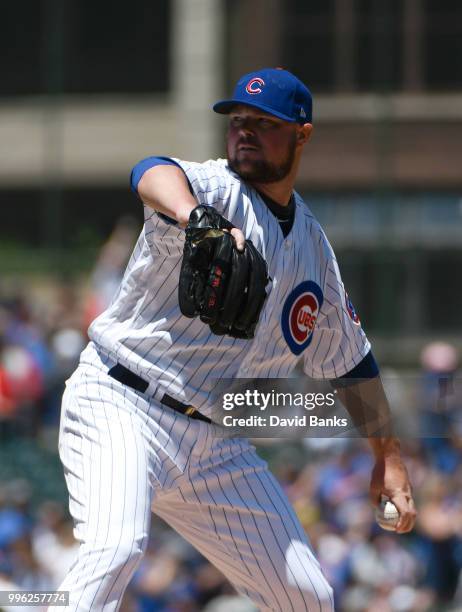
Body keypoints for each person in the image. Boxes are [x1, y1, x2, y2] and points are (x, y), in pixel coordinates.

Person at [57, 68, 416, 611]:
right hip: (124, 402)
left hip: (215, 448)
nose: (244, 131)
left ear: (302, 134)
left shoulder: (315, 253)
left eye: (263, 123)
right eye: (238, 121)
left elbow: (353, 363)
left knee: (309, 597)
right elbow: (149, 170)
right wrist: (193, 216)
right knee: (114, 548)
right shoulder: (213, 189)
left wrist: (387, 457)